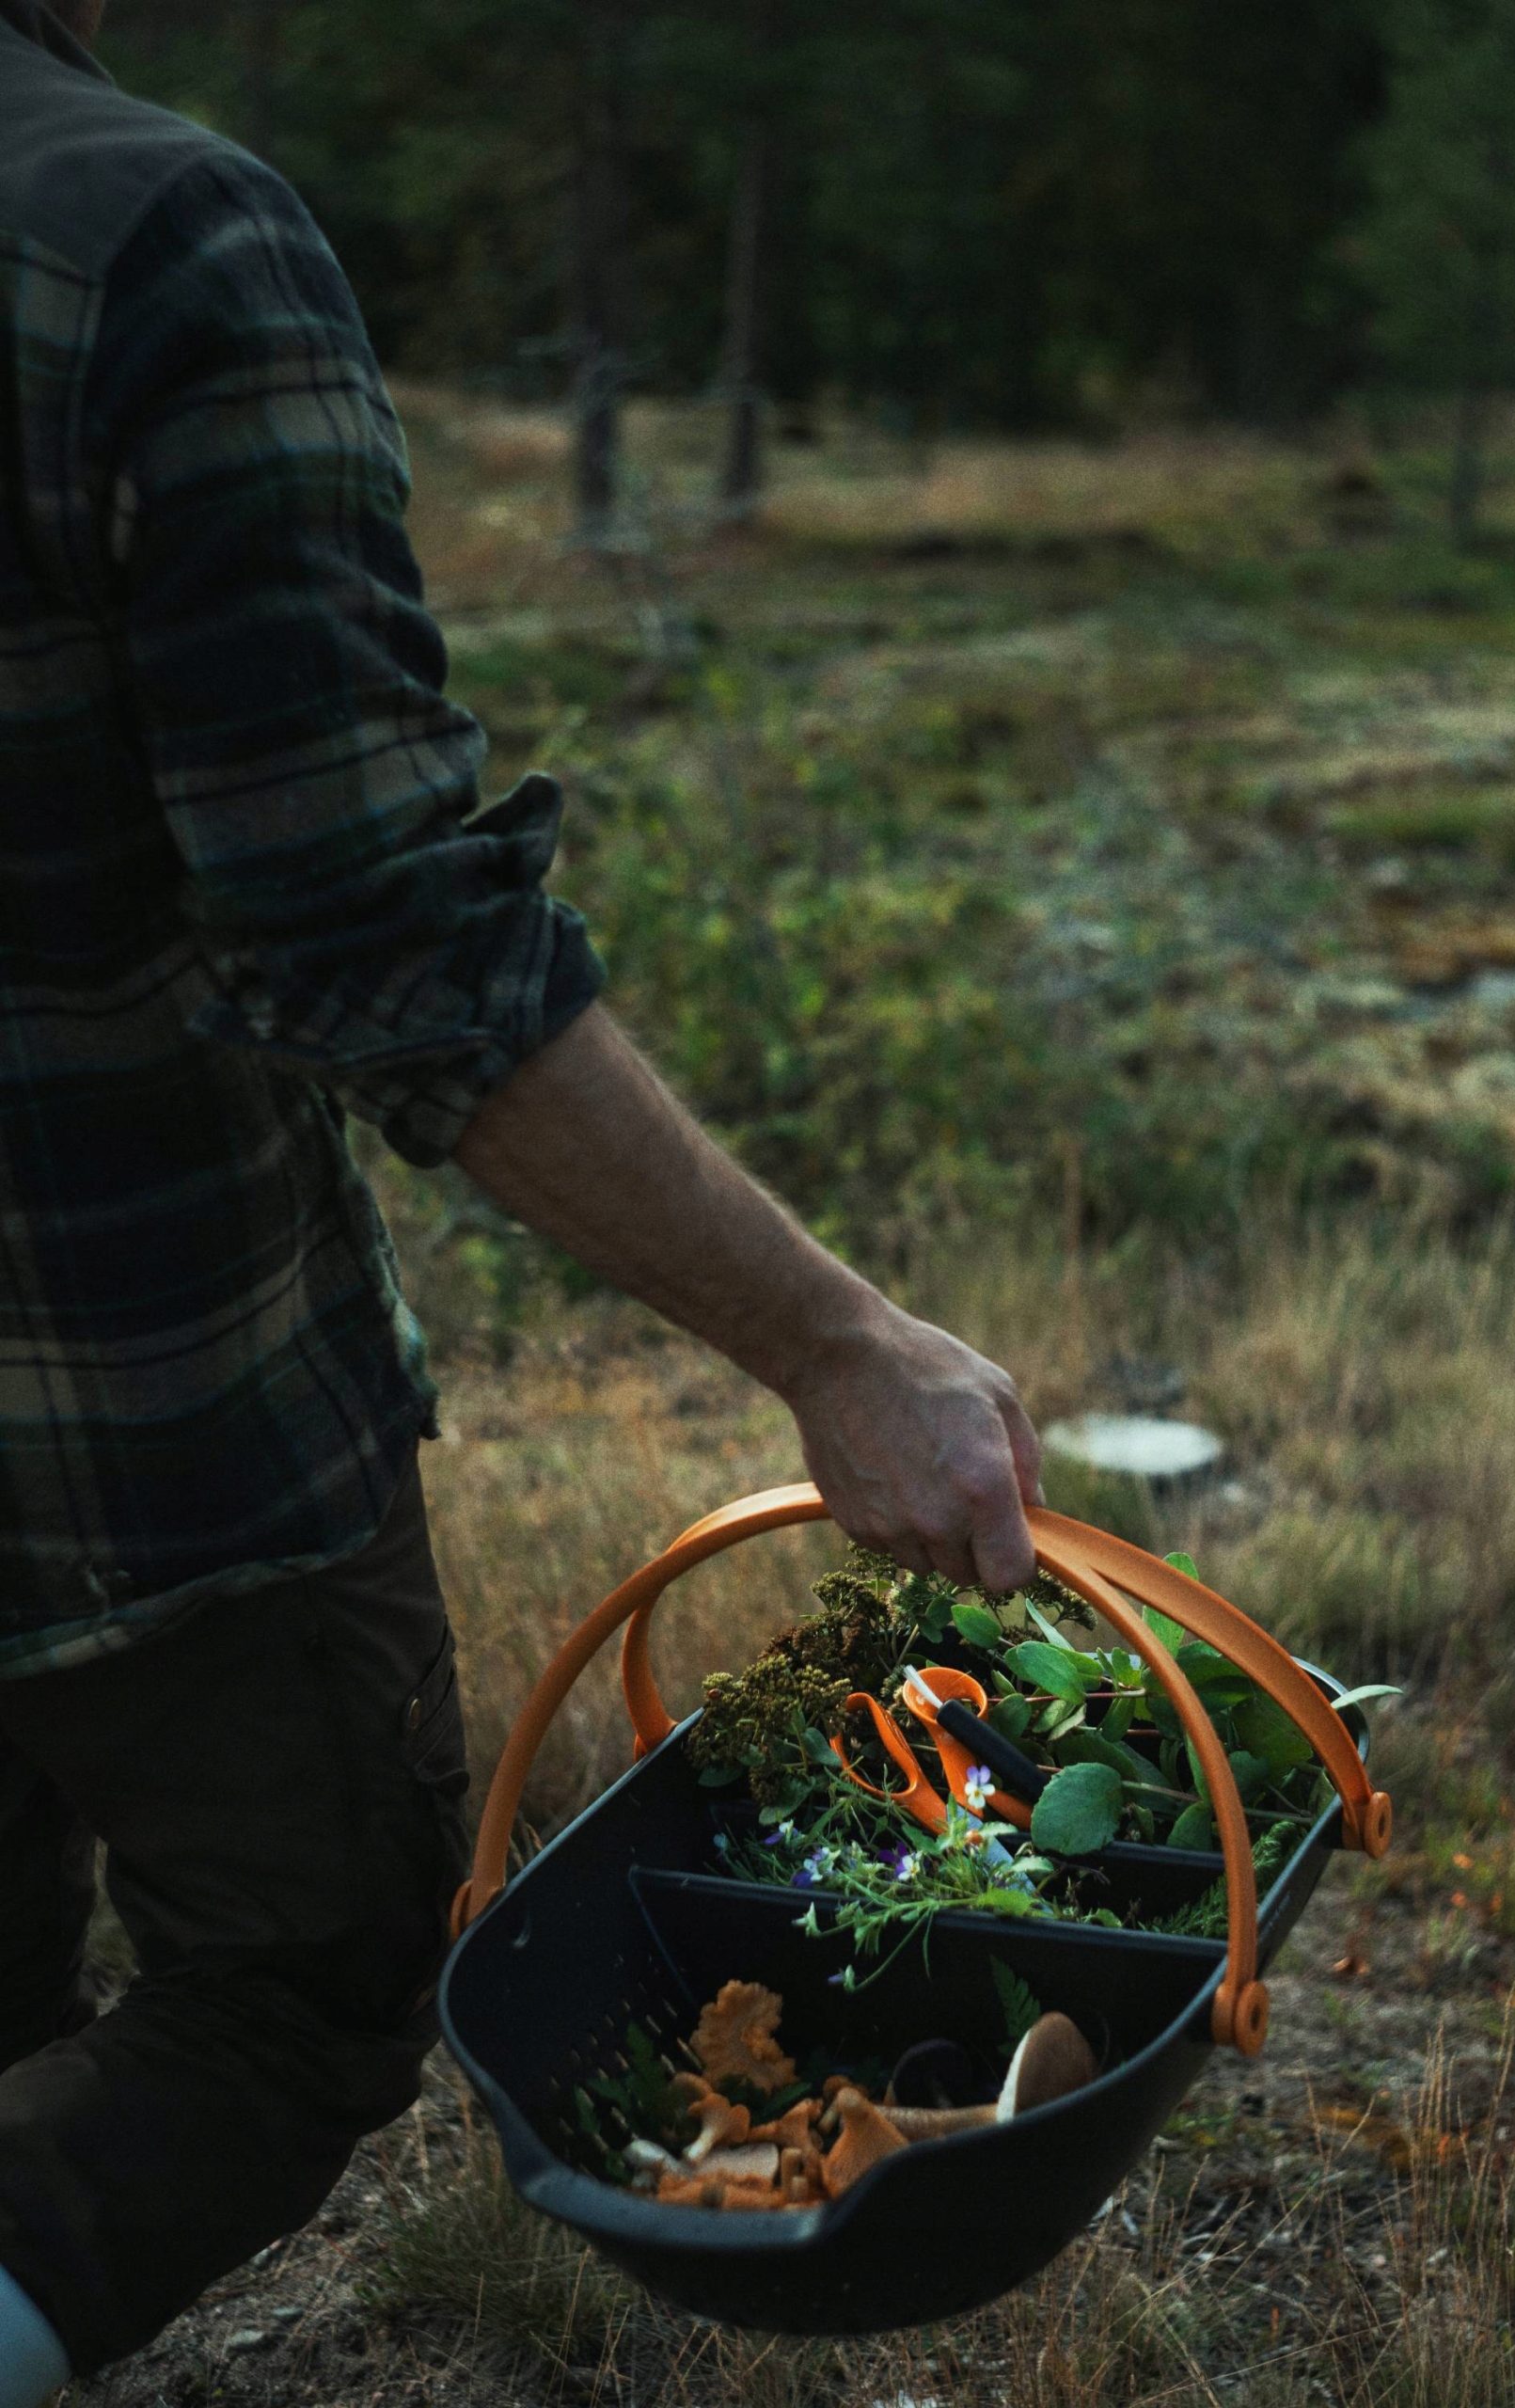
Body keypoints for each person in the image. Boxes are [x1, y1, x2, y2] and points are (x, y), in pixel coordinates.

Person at [0, 2, 1043, 2396]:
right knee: (289, 1994)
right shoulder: (144, 236)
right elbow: (379, 936)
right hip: (154, 1443)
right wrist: (838, 1342)